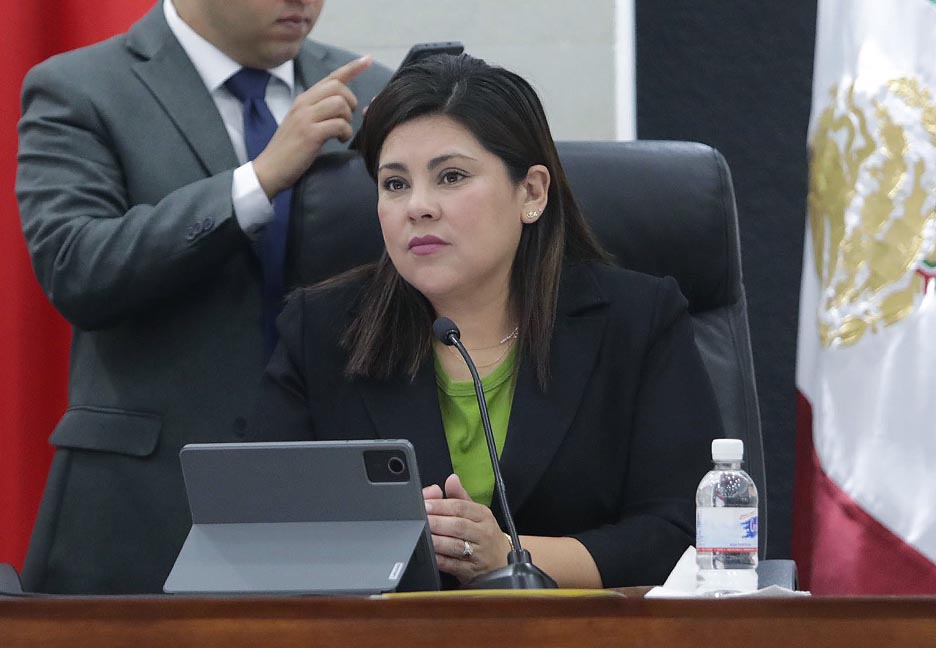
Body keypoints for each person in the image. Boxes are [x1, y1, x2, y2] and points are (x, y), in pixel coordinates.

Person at [250, 54, 721, 588]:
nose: (418, 207)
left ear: (532, 193)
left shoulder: (637, 322)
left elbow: (686, 533)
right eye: (395, 184)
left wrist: (511, 556)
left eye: (451, 177)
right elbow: (262, 529)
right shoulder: (321, 330)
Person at [15, 0, 390, 594]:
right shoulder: (80, 87)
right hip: (143, 506)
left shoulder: (369, 91)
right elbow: (76, 268)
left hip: (333, 501)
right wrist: (258, 181)